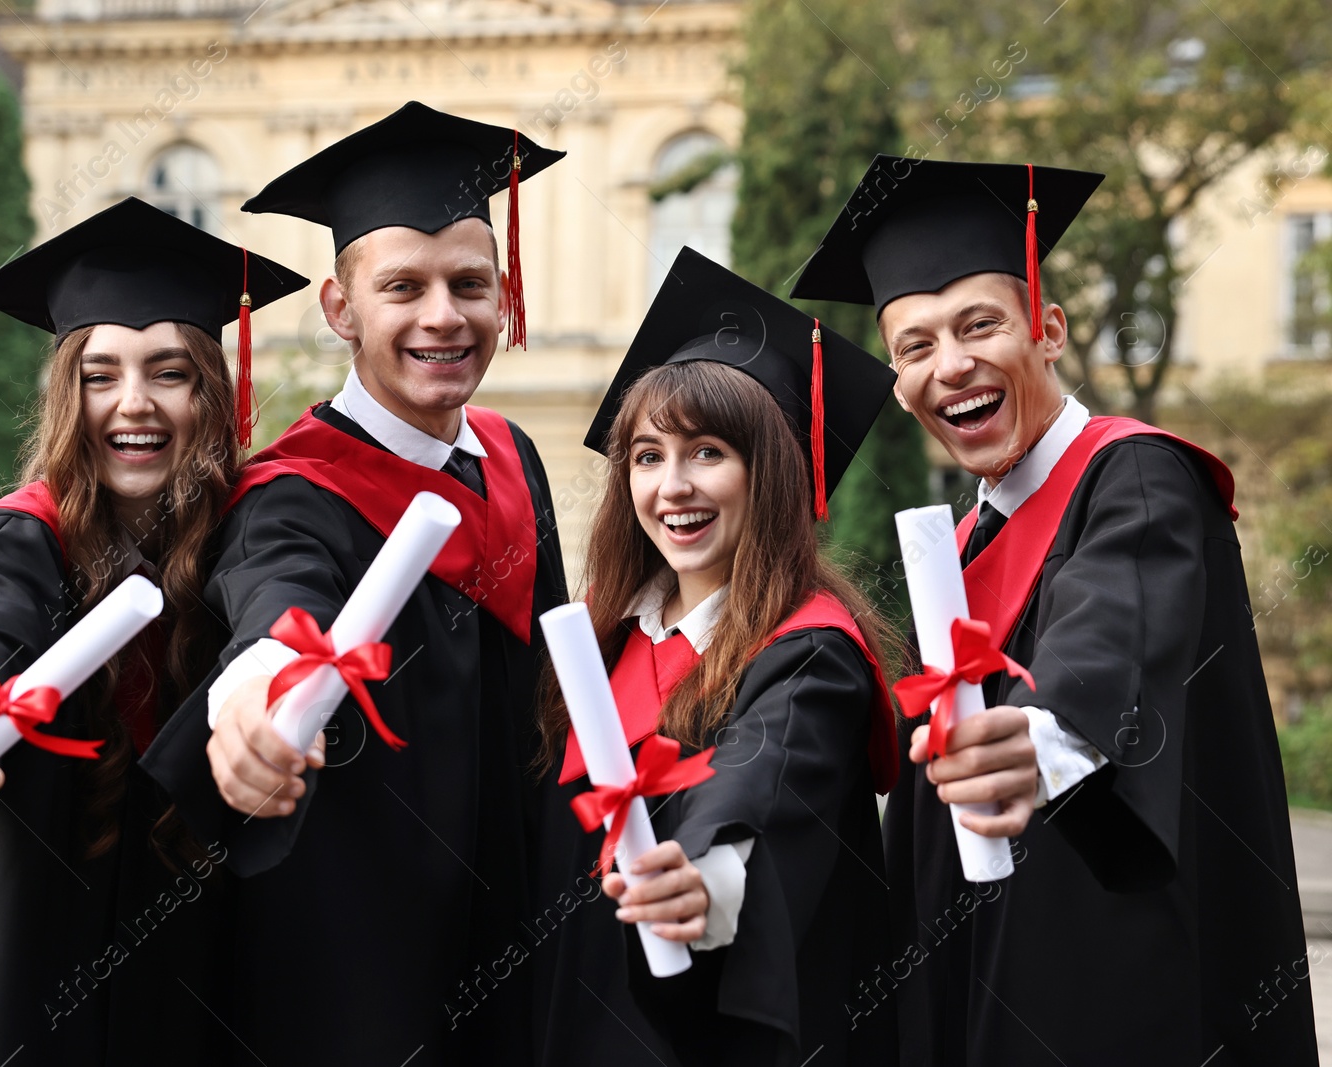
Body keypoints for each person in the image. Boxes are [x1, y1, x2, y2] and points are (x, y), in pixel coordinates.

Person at [793, 155, 1317, 1065]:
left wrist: (1039, 733)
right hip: (980, 973)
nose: (949, 365)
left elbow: (1115, 625)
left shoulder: (1139, 476)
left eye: (978, 325)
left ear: (1049, 329)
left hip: (1113, 977)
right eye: (914, 346)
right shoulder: (960, 545)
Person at [0, 198, 308, 1067]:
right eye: (100, 374)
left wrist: (277, 670)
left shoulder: (246, 530)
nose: (133, 404)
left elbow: (280, 592)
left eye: (170, 372)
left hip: (171, 961)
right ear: (67, 394)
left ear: (213, 389)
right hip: (13, 952)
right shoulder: (23, 534)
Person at [138, 102, 571, 1066]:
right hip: (359, 949)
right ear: (341, 309)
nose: (442, 316)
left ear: (502, 295)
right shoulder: (293, 495)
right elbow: (280, 611)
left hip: (512, 917)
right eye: (402, 287)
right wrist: (258, 698)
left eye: (469, 284)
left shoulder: (512, 457)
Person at [537, 246, 903, 1066]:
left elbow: (765, 780)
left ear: (767, 473)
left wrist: (702, 875)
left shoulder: (810, 652)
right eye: (648, 456)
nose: (674, 487)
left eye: (709, 452)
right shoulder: (599, 640)